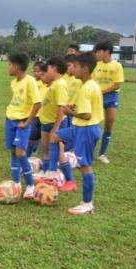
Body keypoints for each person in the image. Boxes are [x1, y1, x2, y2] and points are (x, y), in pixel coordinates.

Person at [51, 52, 103, 215]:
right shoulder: (89, 84)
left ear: (85, 68)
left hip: (86, 129)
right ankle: (65, 176)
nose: (73, 69)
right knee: (55, 136)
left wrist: (69, 111)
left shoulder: (87, 88)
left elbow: (87, 114)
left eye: (76, 67)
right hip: (79, 128)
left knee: (85, 166)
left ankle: (87, 203)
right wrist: (73, 107)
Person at [3, 53, 42, 199]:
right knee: (13, 152)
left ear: (16, 66)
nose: (7, 68)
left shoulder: (30, 81)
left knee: (20, 153)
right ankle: (16, 183)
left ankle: (31, 185)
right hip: (10, 120)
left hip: (22, 123)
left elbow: (37, 103)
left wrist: (27, 122)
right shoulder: (14, 82)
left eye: (9, 65)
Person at [41, 56, 77, 192]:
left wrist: (55, 130)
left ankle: (70, 181)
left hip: (55, 125)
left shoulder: (60, 84)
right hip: (46, 122)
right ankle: (47, 176)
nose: (47, 70)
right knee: (46, 150)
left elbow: (62, 108)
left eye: (48, 68)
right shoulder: (54, 83)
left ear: (54, 68)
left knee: (58, 153)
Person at [92, 41, 124, 164]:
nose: (97, 53)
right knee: (94, 124)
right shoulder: (95, 65)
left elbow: (117, 85)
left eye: (99, 51)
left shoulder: (117, 66)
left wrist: (103, 91)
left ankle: (102, 153)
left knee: (109, 124)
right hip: (97, 97)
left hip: (111, 97)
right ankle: (90, 151)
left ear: (106, 51)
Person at [28, 61, 48, 158]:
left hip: (44, 114)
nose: (35, 73)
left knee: (40, 134)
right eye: (34, 71)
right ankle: (30, 152)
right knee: (32, 135)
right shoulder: (32, 81)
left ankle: (35, 149)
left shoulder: (46, 82)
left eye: (38, 71)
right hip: (34, 113)